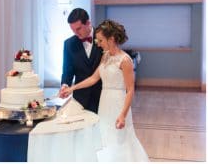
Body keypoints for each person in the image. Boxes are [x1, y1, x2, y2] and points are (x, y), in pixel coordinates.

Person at [60, 19, 149, 161]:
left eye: (101, 40)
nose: (98, 44)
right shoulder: (105, 56)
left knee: (120, 141)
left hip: (118, 104)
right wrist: (72, 88)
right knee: (105, 139)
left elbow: (130, 90)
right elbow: (94, 78)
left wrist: (123, 115)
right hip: (104, 102)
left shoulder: (125, 60)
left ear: (111, 39)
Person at [60, 8, 103, 113]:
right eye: (73, 30)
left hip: (102, 96)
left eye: (78, 29)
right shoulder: (69, 44)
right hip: (81, 98)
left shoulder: (104, 38)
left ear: (88, 23)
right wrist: (65, 85)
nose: (76, 33)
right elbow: (67, 70)